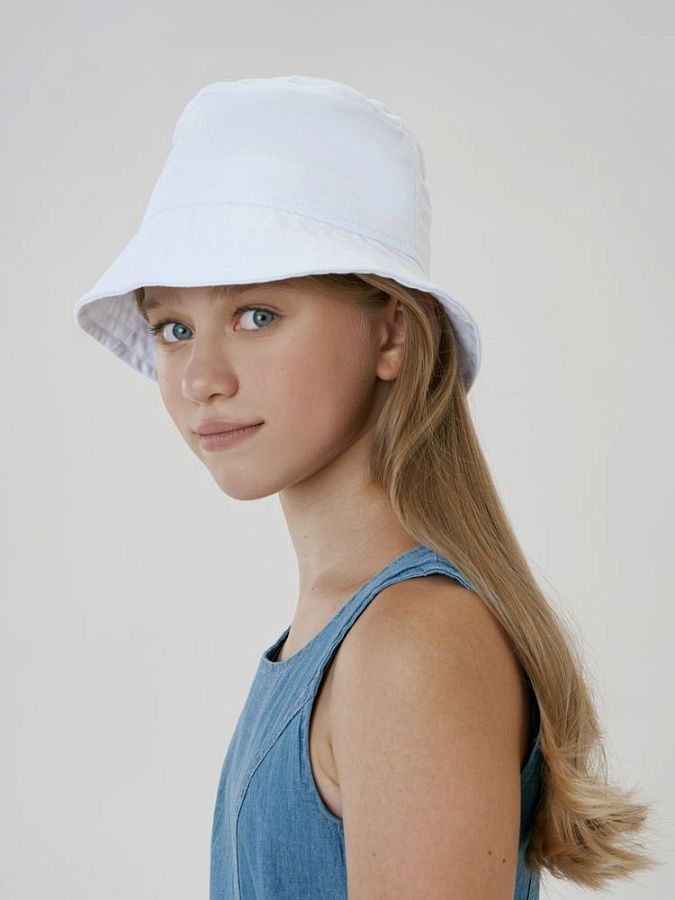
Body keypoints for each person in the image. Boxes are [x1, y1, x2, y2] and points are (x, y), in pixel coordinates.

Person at [72, 75, 659, 899]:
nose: (201, 379)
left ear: (391, 332)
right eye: (173, 327)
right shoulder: (342, 630)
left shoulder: (409, 643)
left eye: (256, 315)